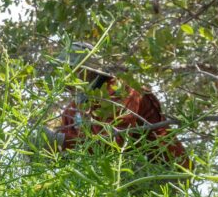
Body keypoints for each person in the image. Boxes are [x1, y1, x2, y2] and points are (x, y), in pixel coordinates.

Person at [46, 49, 189, 169]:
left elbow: (115, 144)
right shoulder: (71, 110)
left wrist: (60, 140)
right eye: (62, 71)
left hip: (164, 169)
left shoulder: (121, 90)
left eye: (71, 69)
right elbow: (71, 153)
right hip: (120, 173)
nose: (65, 77)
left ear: (89, 71)